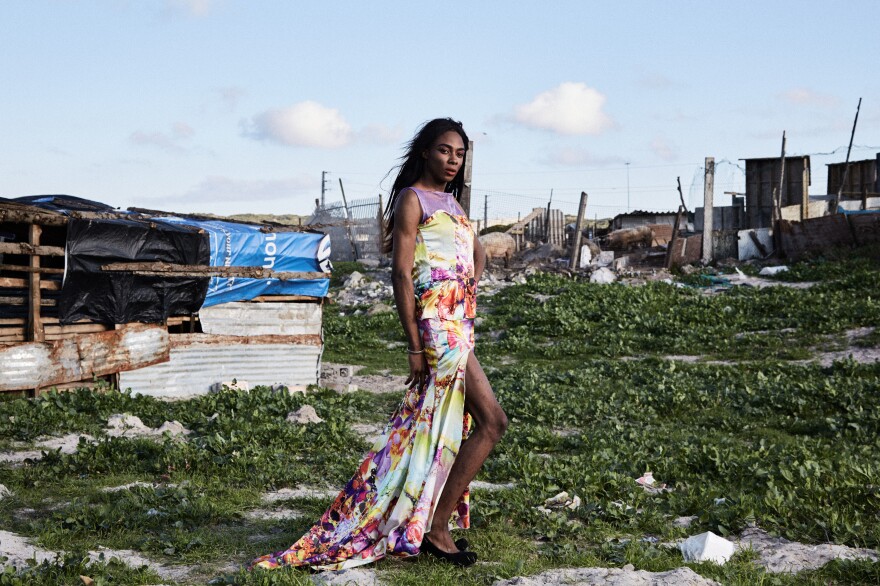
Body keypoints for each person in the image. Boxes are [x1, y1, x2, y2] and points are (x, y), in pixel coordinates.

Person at [251, 117, 507, 572]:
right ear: (426, 151)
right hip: (437, 328)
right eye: (445, 150)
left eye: (460, 153)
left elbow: (474, 255)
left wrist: (465, 286)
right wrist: (415, 343)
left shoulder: (452, 201)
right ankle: (436, 528)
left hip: (458, 323)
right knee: (491, 421)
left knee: (435, 427)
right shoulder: (413, 200)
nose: (453, 160)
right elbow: (402, 273)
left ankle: (428, 520)